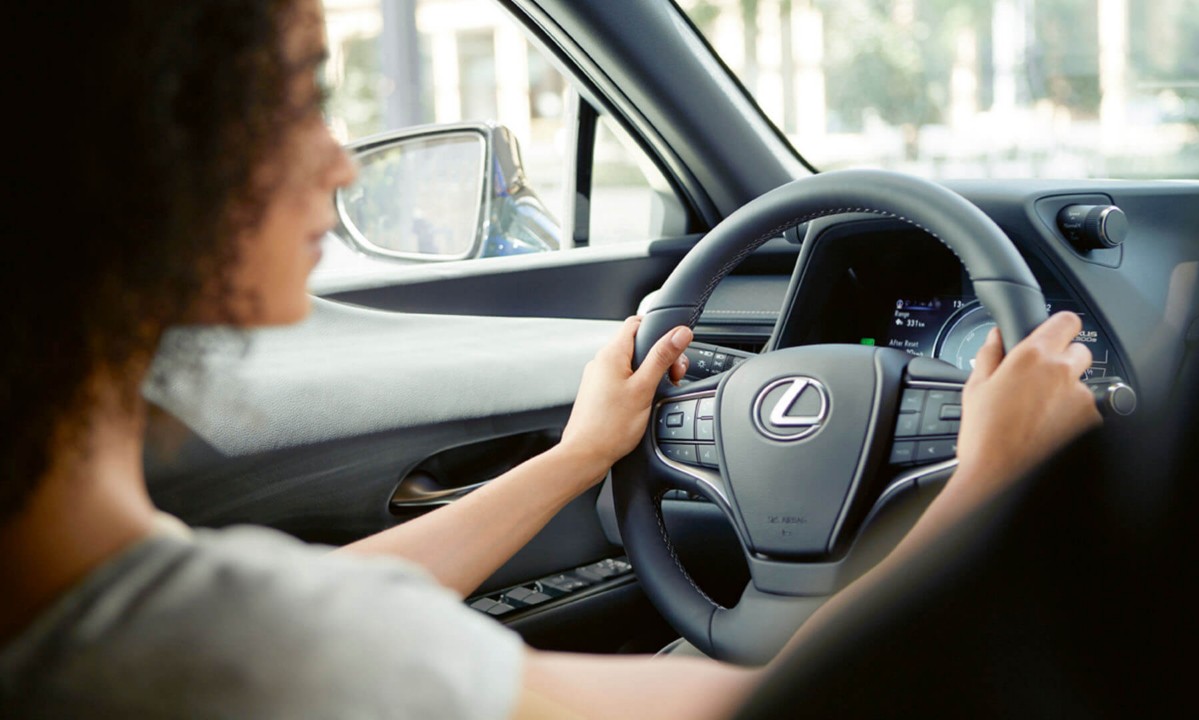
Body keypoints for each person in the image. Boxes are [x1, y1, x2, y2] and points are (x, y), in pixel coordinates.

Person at [0, 1, 1101, 717]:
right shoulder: (225, 661)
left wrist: (577, 459)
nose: (338, 160)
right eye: (296, 96)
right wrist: (982, 488)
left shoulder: (113, 621)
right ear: (125, 147)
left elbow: (324, 597)